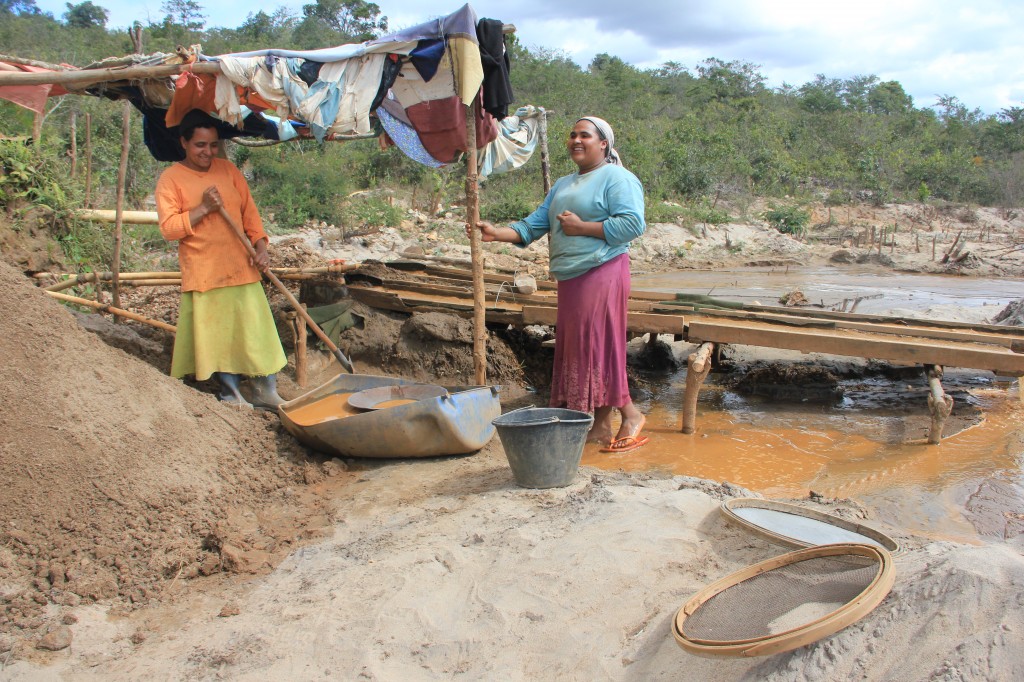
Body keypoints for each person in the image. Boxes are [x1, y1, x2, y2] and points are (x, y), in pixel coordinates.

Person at [472, 116, 648, 452]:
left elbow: (632, 224)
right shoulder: (564, 184)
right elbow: (534, 224)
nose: (576, 140)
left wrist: (585, 228)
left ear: (604, 144)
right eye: (572, 135)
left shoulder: (617, 178)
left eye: (586, 135)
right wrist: (495, 233)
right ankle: (599, 425)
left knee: (598, 345)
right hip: (571, 276)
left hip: (603, 270)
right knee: (582, 346)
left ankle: (630, 414)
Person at [156, 110, 287, 409]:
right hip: (204, 272)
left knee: (256, 331)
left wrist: (261, 247)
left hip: (241, 266)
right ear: (184, 143)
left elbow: (250, 216)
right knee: (219, 338)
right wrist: (203, 208)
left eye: (213, 145)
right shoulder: (171, 179)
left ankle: (265, 390)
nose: (208, 152)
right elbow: (169, 229)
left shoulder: (229, 171)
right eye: (200, 145)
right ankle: (231, 393)